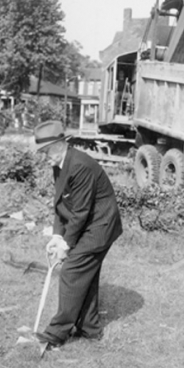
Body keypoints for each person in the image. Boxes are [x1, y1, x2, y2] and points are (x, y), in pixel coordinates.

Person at [34, 119, 123, 351]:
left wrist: (66, 244)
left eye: (46, 151)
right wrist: (56, 236)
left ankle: (56, 333)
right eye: (43, 152)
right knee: (86, 274)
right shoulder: (60, 164)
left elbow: (81, 211)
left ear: (60, 144)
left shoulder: (80, 165)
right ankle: (90, 328)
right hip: (87, 222)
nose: (45, 157)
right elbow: (63, 204)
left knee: (73, 271)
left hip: (100, 225)